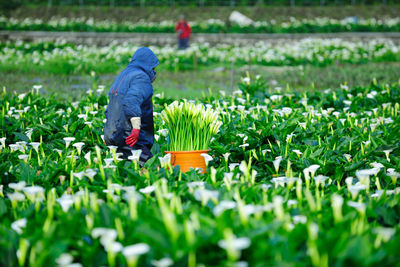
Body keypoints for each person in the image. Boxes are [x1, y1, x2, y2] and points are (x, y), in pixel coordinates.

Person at [104, 47, 159, 166]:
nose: (154, 71)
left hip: (113, 135)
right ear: (147, 64)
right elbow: (130, 102)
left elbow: (111, 107)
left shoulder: (124, 74)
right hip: (131, 138)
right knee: (150, 168)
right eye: (153, 67)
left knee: (123, 170)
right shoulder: (141, 77)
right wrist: (136, 129)